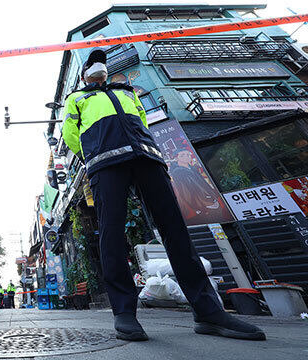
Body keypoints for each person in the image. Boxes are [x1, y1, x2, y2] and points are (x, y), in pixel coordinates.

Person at [61, 50, 265, 342]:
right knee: (111, 234)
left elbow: (142, 122)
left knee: (175, 230)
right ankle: (124, 313)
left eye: (101, 63)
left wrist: (149, 151)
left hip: (147, 159)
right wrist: (91, 157)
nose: (99, 68)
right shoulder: (77, 99)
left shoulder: (127, 92)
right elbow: (71, 135)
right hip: (105, 166)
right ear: (84, 76)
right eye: (93, 64)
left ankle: (208, 311)